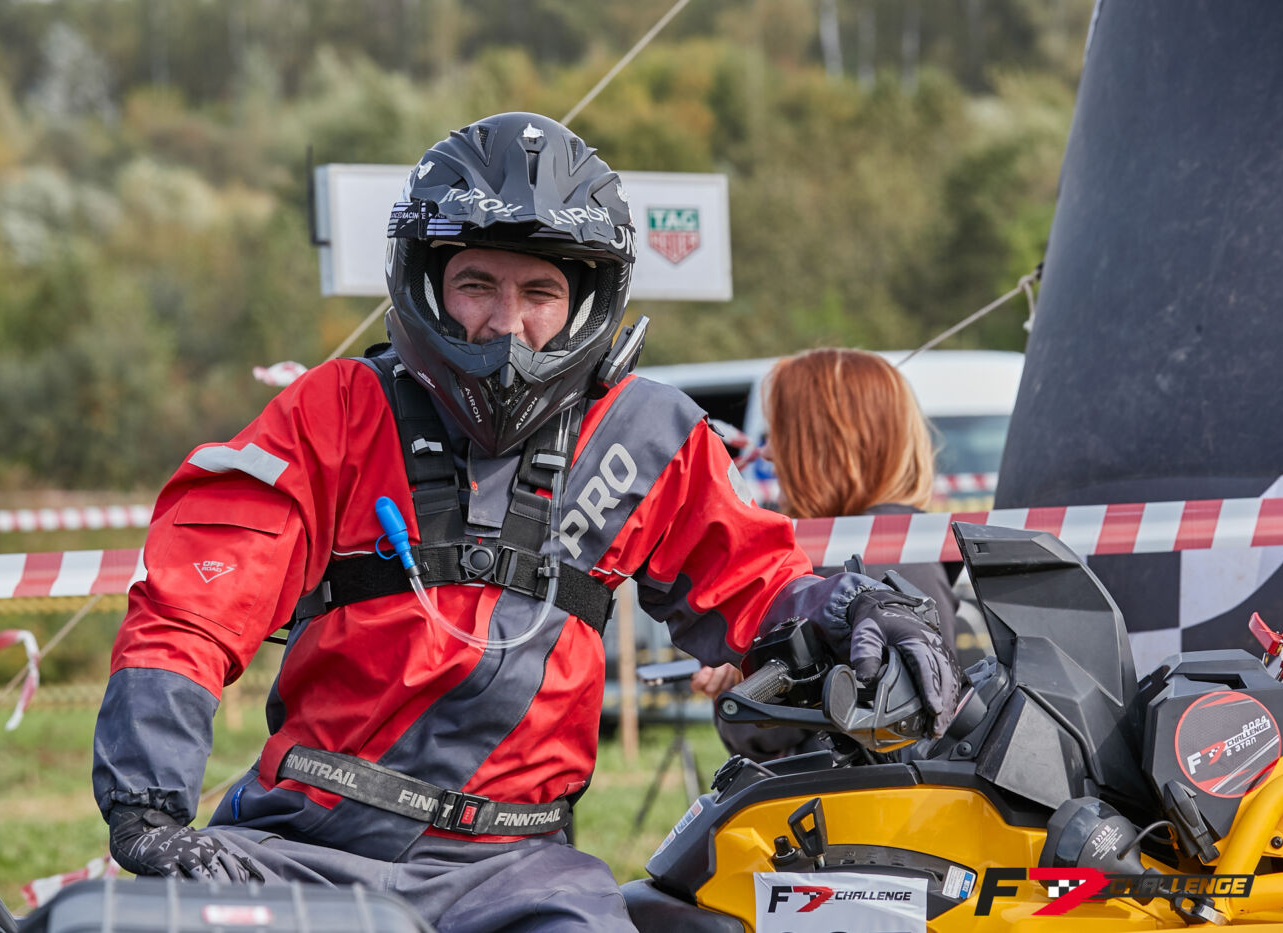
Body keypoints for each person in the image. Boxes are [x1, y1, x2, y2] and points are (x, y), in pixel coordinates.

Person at [91, 112, 964, 932]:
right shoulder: (334, 412)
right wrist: (147, 806)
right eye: (477, 284)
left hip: (521, 870)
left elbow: (755, 580)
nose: (506, 325)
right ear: (428, 283)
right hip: (308, 840)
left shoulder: (648, 436)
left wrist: (851, 607)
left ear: (587, 299)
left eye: (539, 291)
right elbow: (194, 604)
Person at [692, 347, 963, 762]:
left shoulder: (825, 568)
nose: (766, 453)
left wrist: (735, 685)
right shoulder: (918, 543)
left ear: (824, 446)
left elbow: (762, 730)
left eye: (780, 435)